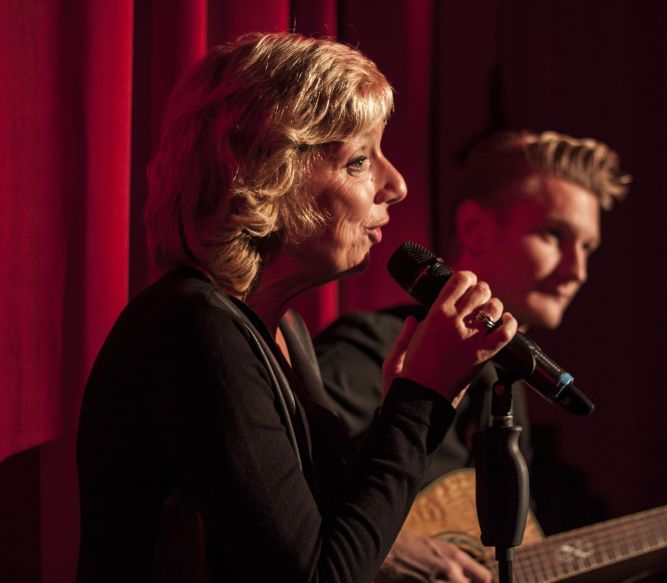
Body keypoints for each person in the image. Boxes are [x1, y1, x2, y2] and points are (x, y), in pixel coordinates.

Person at [75, 32, 516, 583]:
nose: (396, 184)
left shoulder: (280, 330)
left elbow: (335, 537)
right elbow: (318, 577)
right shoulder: (194, 332)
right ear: (266, 176)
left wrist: (412, 407)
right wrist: (418, 401)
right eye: (359, 161)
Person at [313, 130, 667, 582]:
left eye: (588, 248)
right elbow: (273, 496)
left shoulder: (508, 385)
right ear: (475, 228)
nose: (576, 271)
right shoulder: (373, 347)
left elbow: (528, 567)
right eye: (555, 236)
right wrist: (389, 550)